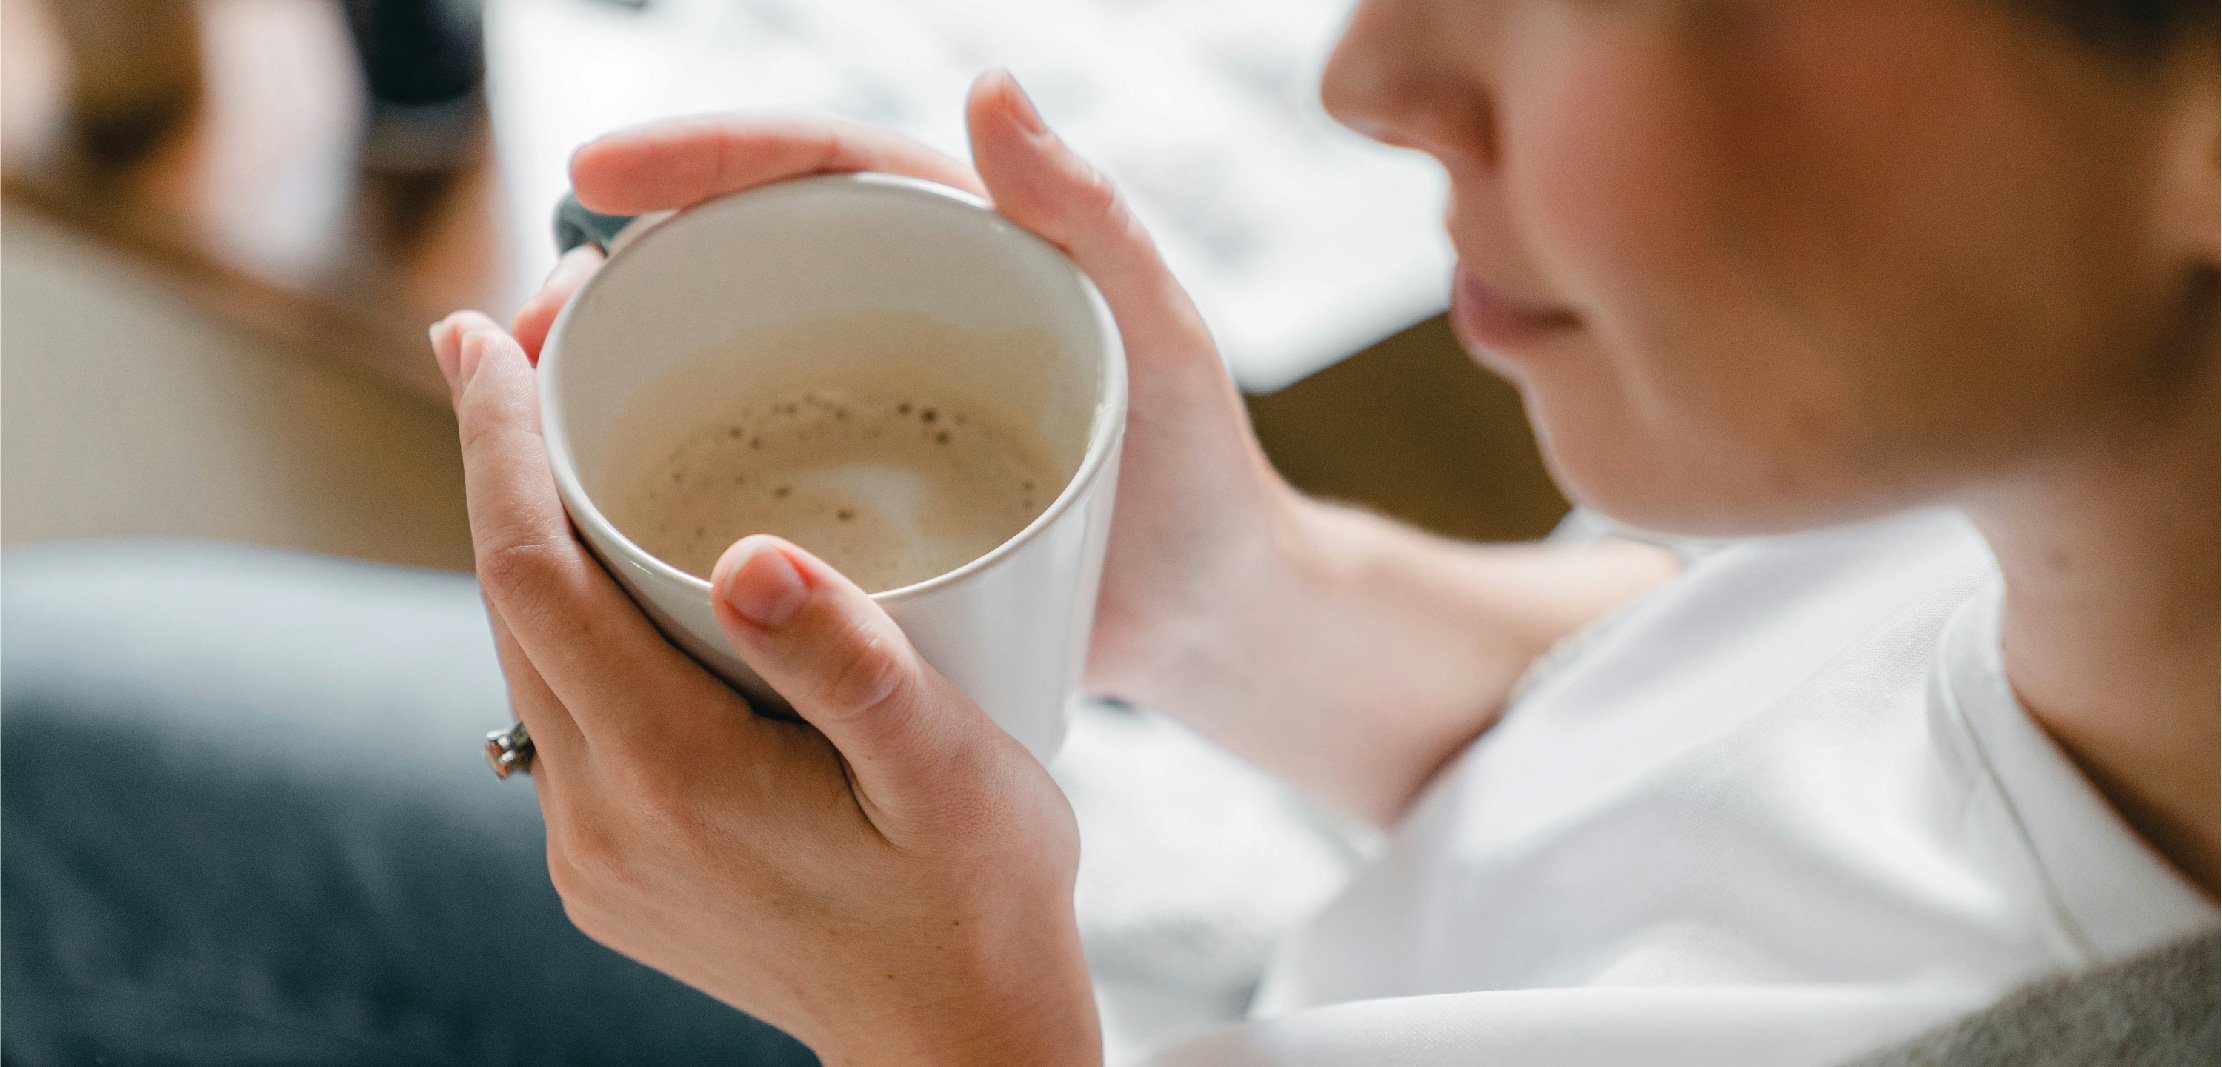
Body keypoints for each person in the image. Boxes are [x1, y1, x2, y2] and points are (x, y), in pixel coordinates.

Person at [6, 0, 2215, 1062]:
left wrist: (949, 1031)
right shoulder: (2032, 484)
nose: (1374, 76)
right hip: (1219, 922)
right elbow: (1702, 720)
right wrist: (1237, 594)